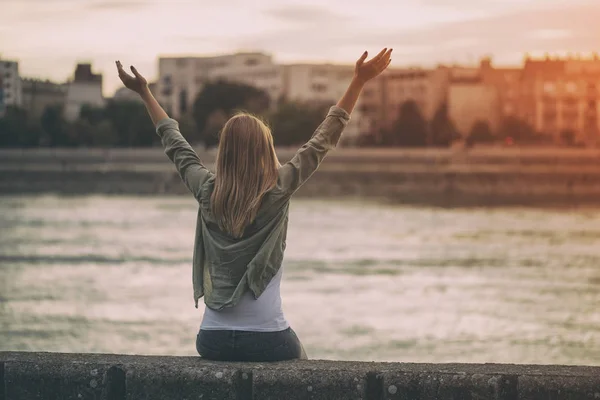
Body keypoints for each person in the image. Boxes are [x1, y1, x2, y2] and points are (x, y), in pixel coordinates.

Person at [115, 48, 392, 362]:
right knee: (303, 364)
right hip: (269, 340)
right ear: (265, 149)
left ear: (225, 152)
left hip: (211, 340)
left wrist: (144, 92)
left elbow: (173, 142)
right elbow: (323, 139)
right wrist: (358, 81)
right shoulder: (277, 189)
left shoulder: (206, 190)